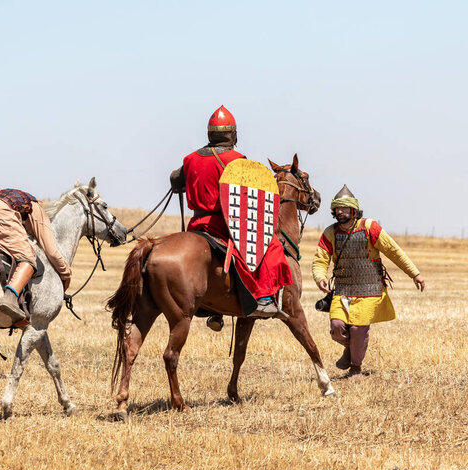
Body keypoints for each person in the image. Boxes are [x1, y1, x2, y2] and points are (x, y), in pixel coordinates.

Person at [170, 106, 292, 331]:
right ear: (233, 135)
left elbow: (175, 179)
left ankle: (216, 309)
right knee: (272, 247)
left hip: (195, 226)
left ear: (209, 135)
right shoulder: (237, 160)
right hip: (223, 226)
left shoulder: (189, 159)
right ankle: (264, 300)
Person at [312, 185, 425, 377]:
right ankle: (350, 349)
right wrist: (320, 277)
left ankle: (355, 368)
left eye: (345, 208)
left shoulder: (369, 227)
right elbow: (320, 260)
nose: (340, 212)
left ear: (354, 210)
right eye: (337, 209)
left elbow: (393, 251)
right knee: (337, 327)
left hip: (370, 289)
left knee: (357, 329)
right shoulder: (330, 233)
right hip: (343, 289)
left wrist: (414, 273)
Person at [0, 189, 72, 322]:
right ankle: (10, 297)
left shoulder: (13, 200)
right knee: (28, 257)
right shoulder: (36, 209)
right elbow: (52, 251)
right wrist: (66, 274)